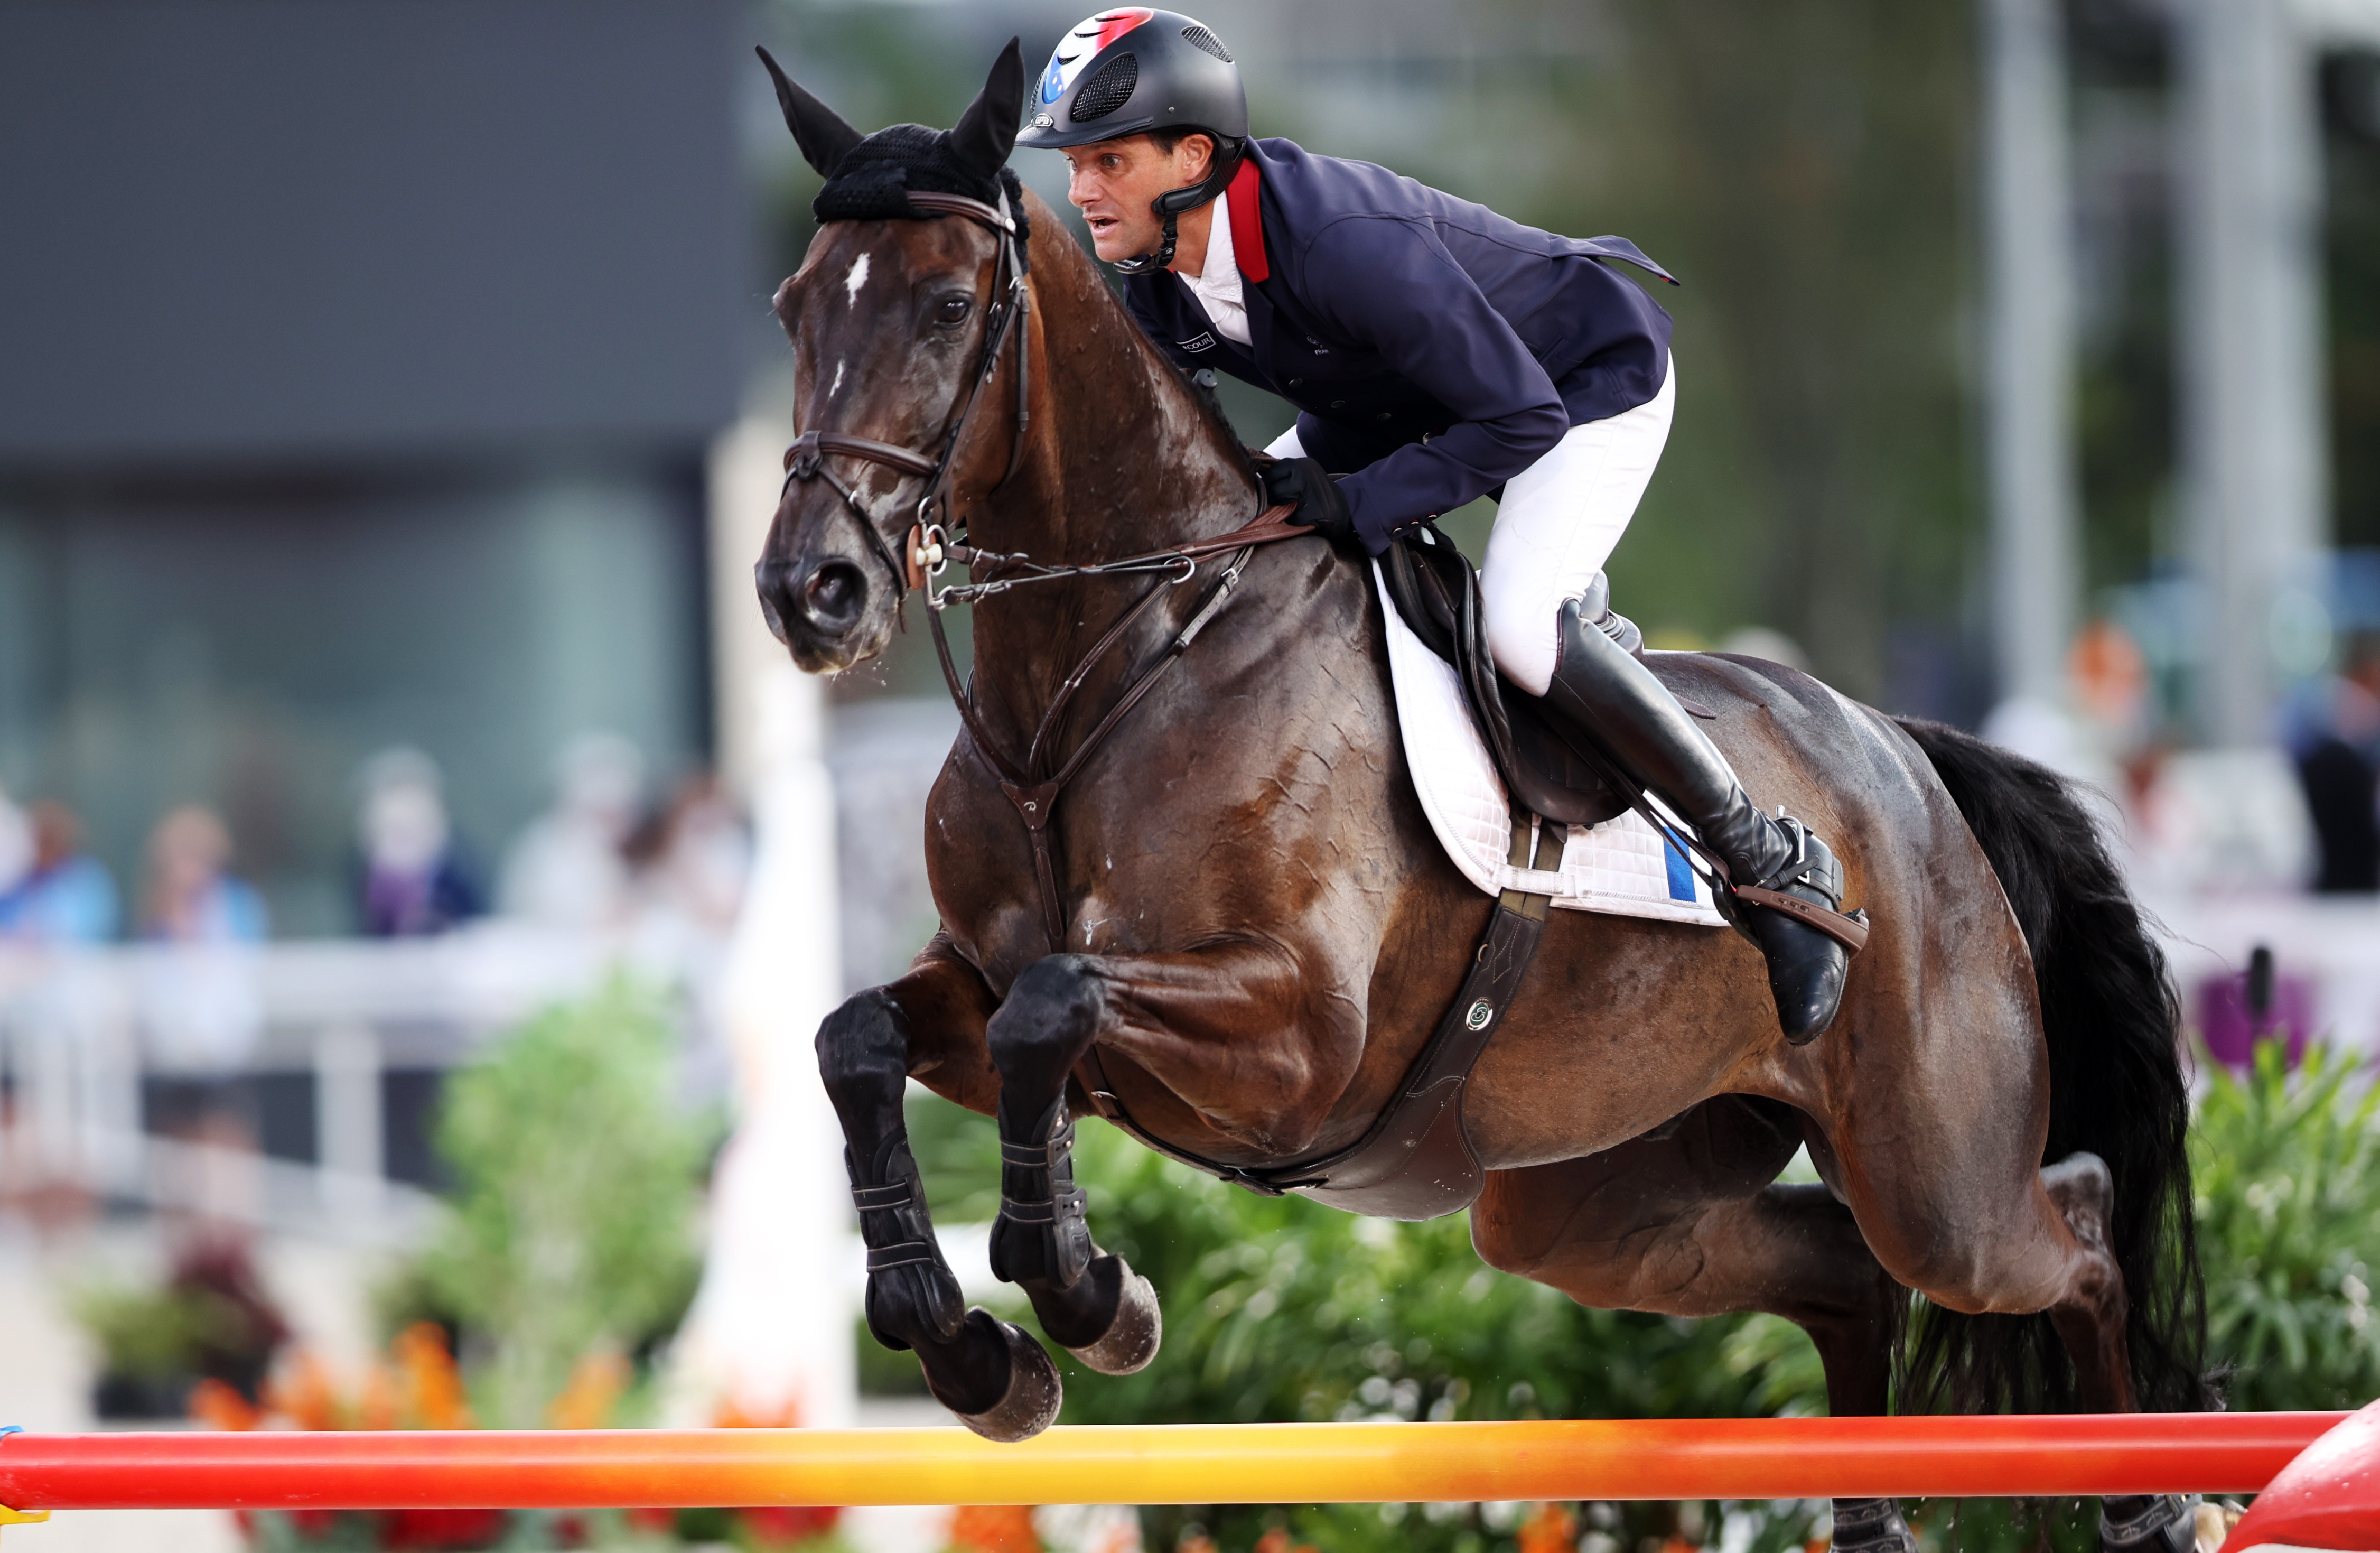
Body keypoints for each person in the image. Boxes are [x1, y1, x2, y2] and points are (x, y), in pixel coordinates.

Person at [1019, 10, 1853, 1038]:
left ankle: (1771, 868)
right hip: (1398, 399)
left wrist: (1363, 502)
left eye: (1107, 160)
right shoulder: (1155, 275)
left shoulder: (1336, 242)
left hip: (1577, 384)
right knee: (1228, 535)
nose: (1081, 191)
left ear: (1193, 154)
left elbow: (1519, 414)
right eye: (1073, 164)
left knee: (1517, 625)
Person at [352, 748, 485, 937]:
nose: (404, 842)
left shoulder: (463, 873)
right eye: (395, 829)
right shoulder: (360, 878)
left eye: (414, 826)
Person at [0, 797, 120, 944]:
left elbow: (91, 931)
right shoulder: (15, 878)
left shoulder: (88, 880)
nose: (46, 846)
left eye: (52, 837)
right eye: (42, 837)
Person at [141, 805, 268, 943]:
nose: (187, 869)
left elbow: (250, 952)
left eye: (194, 857)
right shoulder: (157, 907)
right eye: (180, 857)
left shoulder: (241, 904)